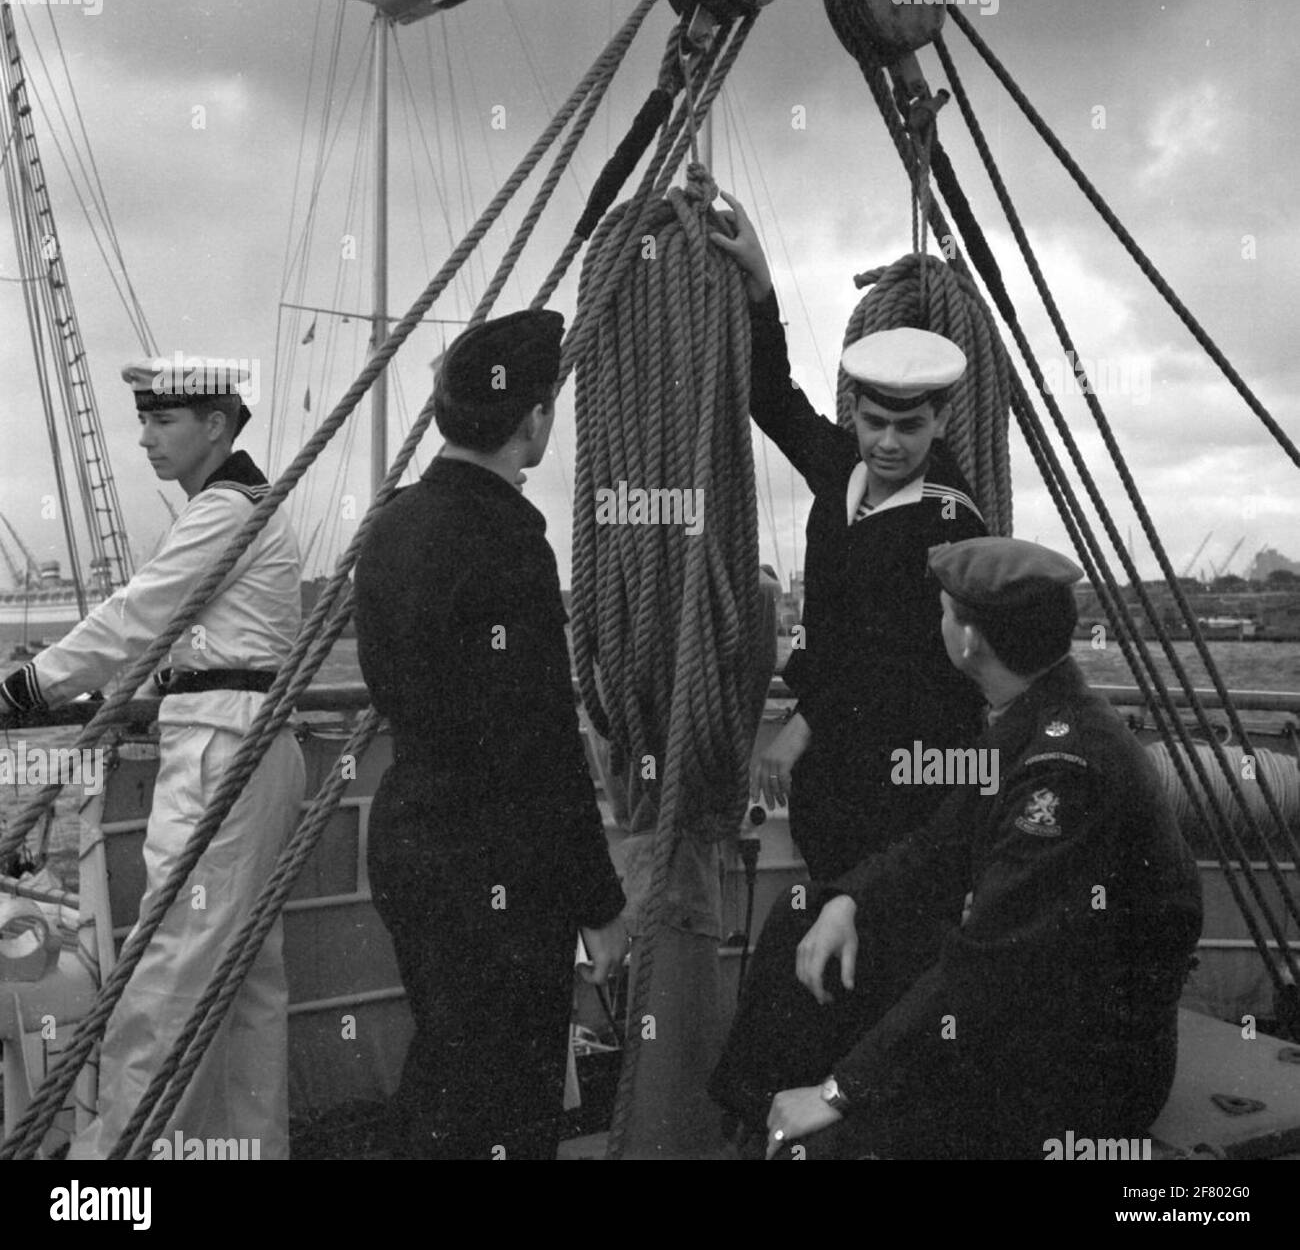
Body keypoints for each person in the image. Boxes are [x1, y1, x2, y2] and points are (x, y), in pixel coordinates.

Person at [710, 536, 1203, 1159]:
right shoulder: (1029, 716)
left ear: (968, 641)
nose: (938, 622)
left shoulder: (1063, 767)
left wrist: (839, 1092)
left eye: (943, 611)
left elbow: (990, 963)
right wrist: (847, 901)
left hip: (1085, 1066)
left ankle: (789, 1128)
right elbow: (933, 849)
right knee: (804, 913)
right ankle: (754, 1118)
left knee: (837, 1140)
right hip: (1037, 1011)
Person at [0, 357, 306, 1159]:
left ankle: (110, 1179)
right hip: (251, 741)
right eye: (143, 421)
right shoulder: (240, 503)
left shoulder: (226, 510)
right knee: (245, 984)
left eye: (163, 421)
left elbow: (135, 616)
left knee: (167, 975)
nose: (143, 440)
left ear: (216, 424)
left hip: (222, 752)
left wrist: (26, 688)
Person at [354, 309, 627, 1161]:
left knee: (447, 1069)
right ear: (536, 419)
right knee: (504, 1103)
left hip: (410, 843)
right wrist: (602, 905)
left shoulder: (391, 525)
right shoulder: (512, 544)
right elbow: (542, 744)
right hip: (497, 868)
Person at [709, 193, 988, 879]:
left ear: (942, 422)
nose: (887, 444)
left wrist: (802, 725)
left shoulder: (951, 519)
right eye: (872, 423)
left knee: (893, 927)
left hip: (913, 774)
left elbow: (901, 649)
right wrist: (760, 284)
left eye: (909, 427)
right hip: (838, 775)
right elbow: (772, 396)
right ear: (856, 414)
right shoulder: (843, 467)